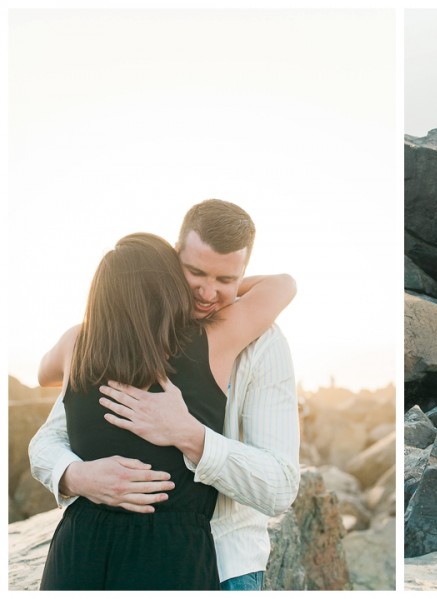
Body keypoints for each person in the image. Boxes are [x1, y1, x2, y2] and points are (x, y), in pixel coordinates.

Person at [30, 199, 301, 590]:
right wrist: (77, 474)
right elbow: (47, 440)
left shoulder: (258, 339)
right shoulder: (102, 341)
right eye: (194, 273)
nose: (208, 292)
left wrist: (187, 433)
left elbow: (279, 487)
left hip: (225, 559)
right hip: (119, 544)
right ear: (174, 261)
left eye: (226, 280)